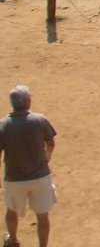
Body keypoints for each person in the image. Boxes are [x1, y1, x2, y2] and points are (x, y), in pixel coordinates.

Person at [1, 86, 57, 247]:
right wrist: (48, 155)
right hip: (41, 176)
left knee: (11, 211)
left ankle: (13, 242)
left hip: (14, 178)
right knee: (42, 216)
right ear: (26, 101)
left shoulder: (3, 125)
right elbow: (51, 142)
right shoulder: (39, 120)